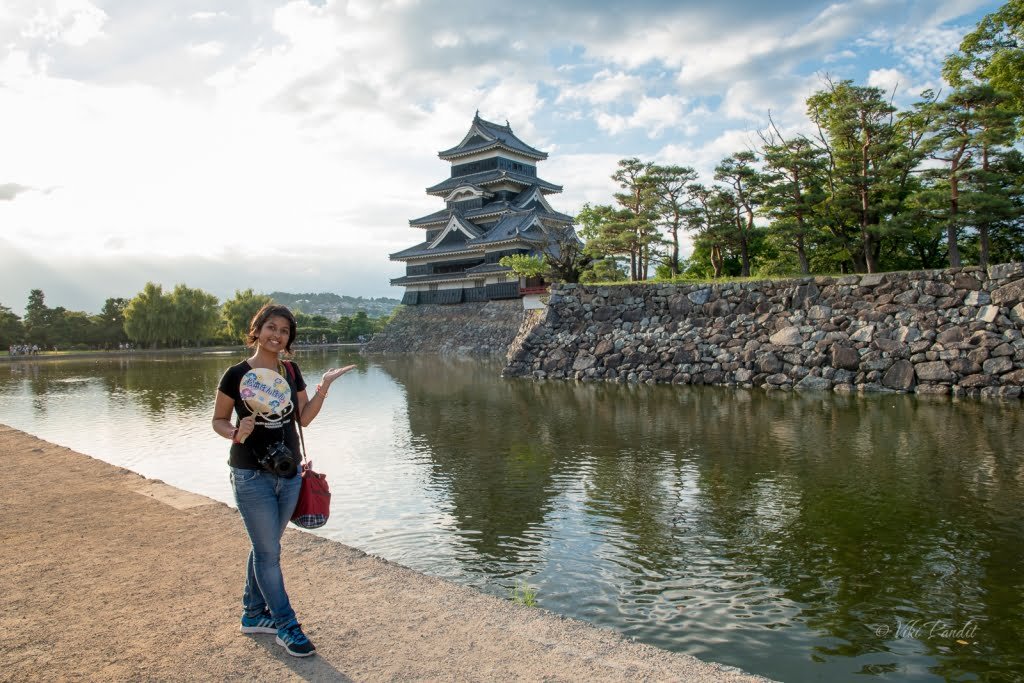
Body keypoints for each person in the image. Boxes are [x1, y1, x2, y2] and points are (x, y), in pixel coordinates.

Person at [212, 303, 355, 657]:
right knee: (268, 552)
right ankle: (286, 625)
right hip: (250, 473)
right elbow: (218, 419)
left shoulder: (290, 372)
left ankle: (252, 614)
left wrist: (323, 387)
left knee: (267, 548)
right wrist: (235, 432)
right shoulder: (236, 374)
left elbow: (303, 419)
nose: (277, 335)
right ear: (257, 330)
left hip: (289, 474)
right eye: (271, 328)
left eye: (284, 331)